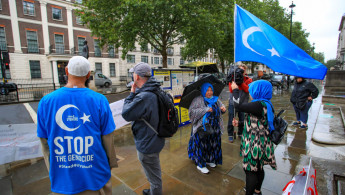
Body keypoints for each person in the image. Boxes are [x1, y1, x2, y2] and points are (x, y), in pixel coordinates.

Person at [37, 56, 118, 195]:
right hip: (95, 177)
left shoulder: (46, 102)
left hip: (63, 179)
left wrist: (53, 169)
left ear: (67, 71)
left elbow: (44, 143)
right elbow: (108, 139)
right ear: (88, 75)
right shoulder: (99, 100)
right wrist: (110, 164)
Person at [122, 62, 164, 195]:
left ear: (137, 77)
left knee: (154, 176)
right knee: (153, 170)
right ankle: (153, 190)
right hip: (156, 138)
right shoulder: (156, 89)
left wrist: (131, 94)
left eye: (133, 73)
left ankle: (155, 192)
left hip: (147, 143)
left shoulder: (144, 97)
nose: (132, 75)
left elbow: (126, 113)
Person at [232, 80, 276, 195]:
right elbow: (257, 122)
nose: (250, 93)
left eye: (252, 90)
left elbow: (238, 105)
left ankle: (251, 192)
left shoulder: (258, 104)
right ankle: (257, 190)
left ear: (259, 90)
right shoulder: (265, 103)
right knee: (258, 168)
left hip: (254, 142)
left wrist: (235, 90)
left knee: (250, 170)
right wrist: (240, 123)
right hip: (262, 141)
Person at [187, 82, 226, 174]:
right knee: (202, 145)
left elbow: (221, 109)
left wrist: (223, 109)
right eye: (207, 90)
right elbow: (191, 113)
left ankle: (209, 160)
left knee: (213, 144)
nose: (210, 92)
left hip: (215, 127)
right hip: (203, 127)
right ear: (203, 91)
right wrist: (205, 109)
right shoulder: (198, 100)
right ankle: (200, 164)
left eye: (211, 90)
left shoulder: (216, 99)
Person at [227, 64, 252, 143]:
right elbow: (231, 90)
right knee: (231, 118)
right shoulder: (233, 78)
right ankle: (230, 134)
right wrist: (233, 81)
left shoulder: (249, 80)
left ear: (245, 71)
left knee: (242, 119)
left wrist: (241, 83)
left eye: (243, 70)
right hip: (233, 102)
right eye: (239, 70)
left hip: (243, 103)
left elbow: (248, 90)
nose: (241, 72)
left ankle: (240, 133)